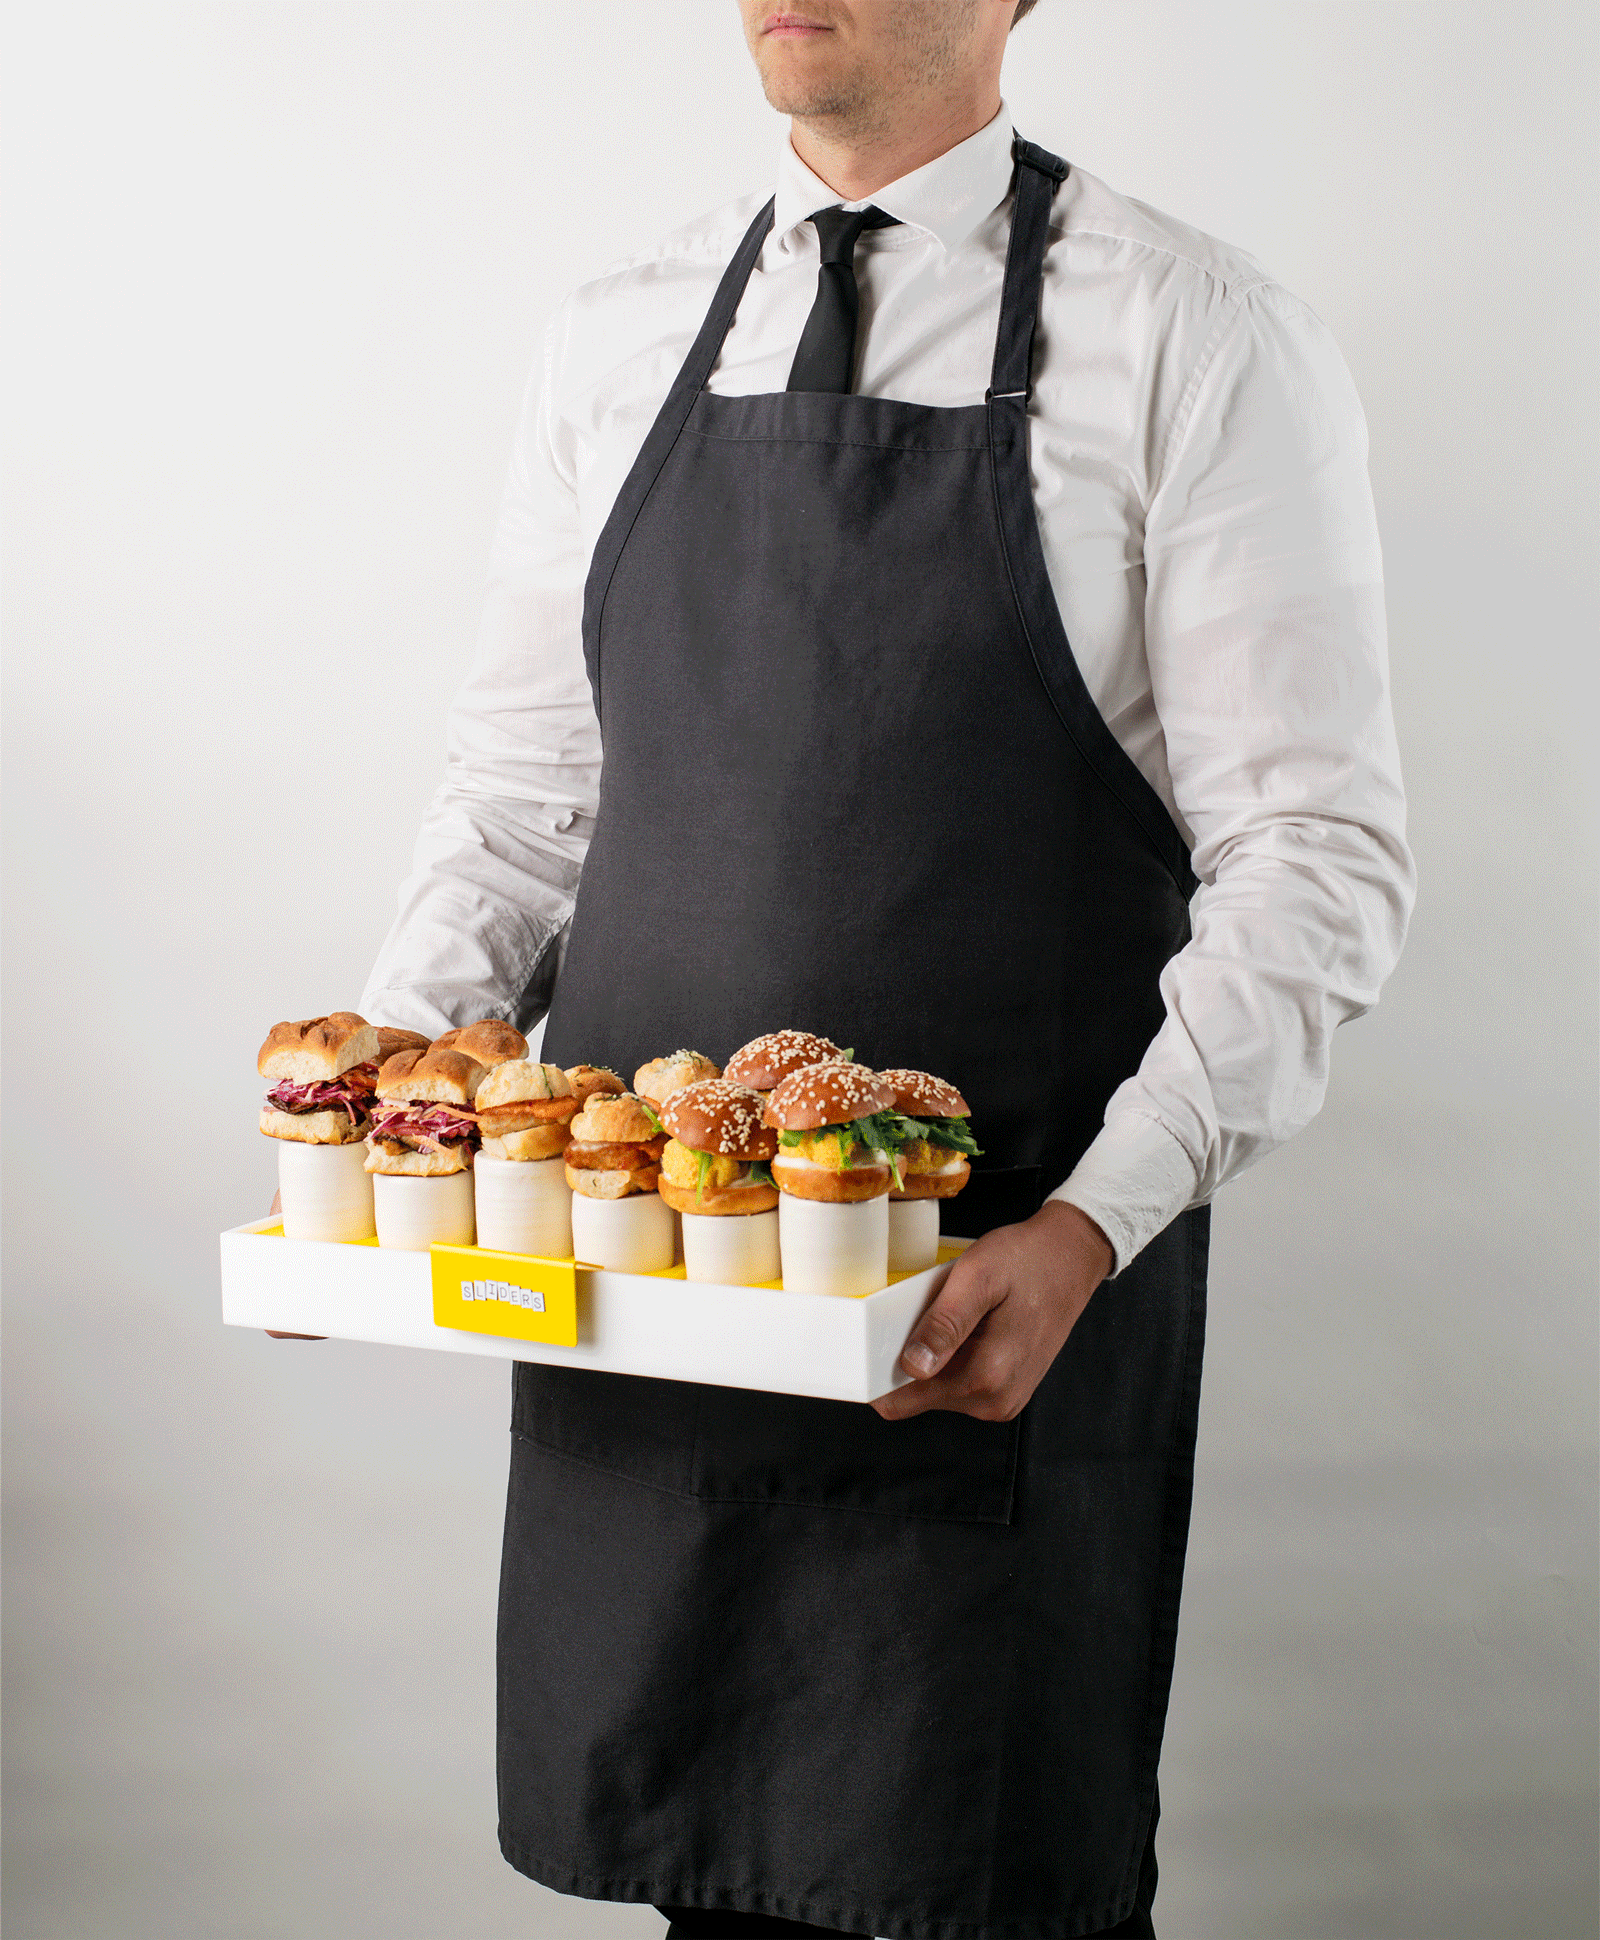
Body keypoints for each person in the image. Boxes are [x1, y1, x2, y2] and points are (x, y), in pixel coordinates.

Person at [356, 3, 1414, 1934]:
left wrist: (1094, 1227)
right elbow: (526, 795)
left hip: (982, 1326)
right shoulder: (619, 329)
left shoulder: (1195, 334)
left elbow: (1312, 858)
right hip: (649, 1328)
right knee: (707, 1901)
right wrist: (389, 1092)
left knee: (985, 1896)